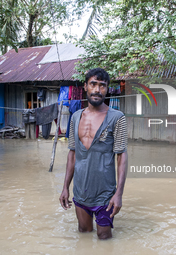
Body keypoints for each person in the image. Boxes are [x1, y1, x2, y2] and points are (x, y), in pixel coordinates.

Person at [59, 68, 128, 240]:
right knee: (84, 233)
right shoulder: (75, 117)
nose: (97, 90)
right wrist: (65, 188)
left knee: (104, 237)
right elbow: (72, 154)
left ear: (107, 89)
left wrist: (118, 194)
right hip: (81, 191)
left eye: (102, 86)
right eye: (93, 84)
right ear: (85, 86)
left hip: (105, 194)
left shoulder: (117, 118)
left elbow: (122, 157)